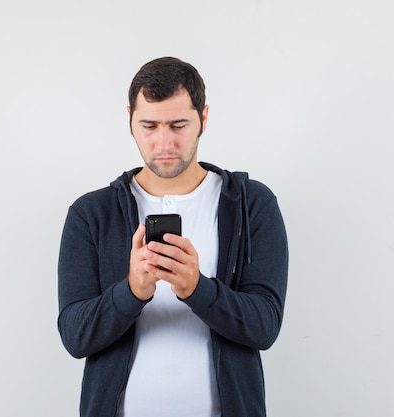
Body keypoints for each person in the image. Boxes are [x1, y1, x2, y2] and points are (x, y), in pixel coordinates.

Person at [57, 56, 288, 417]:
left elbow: (265, 326)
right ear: (130, 121)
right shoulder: (91, 213)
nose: (163, 142)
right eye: (149, 125)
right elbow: (75, 336)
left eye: (178, 125)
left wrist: (197, 288)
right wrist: (131, 291)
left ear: (204, 119)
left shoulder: (251, 203)